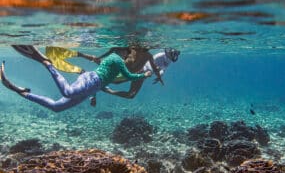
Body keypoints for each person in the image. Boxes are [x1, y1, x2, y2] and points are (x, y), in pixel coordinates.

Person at [0, 48, 152, 112]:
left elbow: (103, 78)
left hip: (91, 85)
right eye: (129, 55)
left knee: (57, 107)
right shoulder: (117, 60)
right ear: (124, 52)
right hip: (91, 81)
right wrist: (143, 75)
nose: (130, 58)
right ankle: (48, 64)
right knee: (67, 92)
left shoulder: (114, 59)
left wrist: (93, 96)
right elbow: (129, 76)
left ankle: (22, 93)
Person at [103, 48, 180, 99]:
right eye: (173, 54)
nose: (173, 56)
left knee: (130, 94)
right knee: (123, 87)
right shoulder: (160, 55)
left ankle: (105, 87)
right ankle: (102, 84)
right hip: (141, 71)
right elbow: (151, 65)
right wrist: (158, 75)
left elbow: (163, 69)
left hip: (143, 75)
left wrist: (160, 74)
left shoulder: (169, 59)